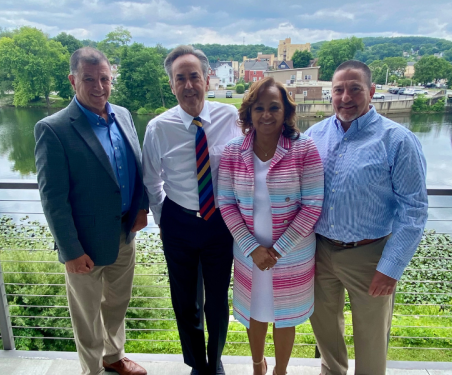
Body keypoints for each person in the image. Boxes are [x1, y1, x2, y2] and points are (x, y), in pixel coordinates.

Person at [304, 60, 428, 375]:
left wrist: (391, 267)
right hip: (318, 251)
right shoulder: (313, 136)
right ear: (330, 94)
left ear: (371, 92)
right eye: (339, 90)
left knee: (372, 340)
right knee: (325, 331)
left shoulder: (397, 140)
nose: (346, 97)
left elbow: (412, 209)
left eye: (355, 89)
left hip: (370, 255)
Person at [34, 47, 148, 375]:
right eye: (89, 79)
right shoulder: (53, 128)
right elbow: (53, 198)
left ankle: (113, 356)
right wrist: (70, 251)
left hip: (125, 234)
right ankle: (91, 370)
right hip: (83, 244)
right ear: (73, 80)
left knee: (116, 305)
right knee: (85, 315)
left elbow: (137, 166)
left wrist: (141, 208)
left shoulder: (124, 115)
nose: (99, 86)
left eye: (104, 79)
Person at [142, 45, 240, 375]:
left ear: (207, 80)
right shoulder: (158, 127)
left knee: (216, 299)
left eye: (194, 77)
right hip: (179, 223)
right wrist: (164, 220)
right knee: (185, 302)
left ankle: (215, 361)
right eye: (179, 78)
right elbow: (151, 179)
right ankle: (197, 365)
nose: (188, 85)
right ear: (171, 85)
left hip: (220, 224)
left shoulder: (230, 117)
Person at [217, 77, 324, 375]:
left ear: (286, 112)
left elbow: (313, 205)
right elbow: (226, 203)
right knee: (256, 313)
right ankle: (257, 365)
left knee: (285, 317)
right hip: (249, 254)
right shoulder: (232, 151)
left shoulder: (305, 150)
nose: (266, 115)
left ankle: (281, 371)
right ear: (249, 113)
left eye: (274, 107)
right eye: (259, 108)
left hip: (290, 255)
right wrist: (253, 249)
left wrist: (276, 251)